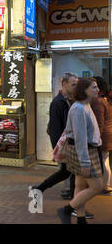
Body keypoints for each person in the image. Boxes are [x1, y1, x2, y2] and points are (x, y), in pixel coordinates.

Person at [31, 73, 81, 211]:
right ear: (64, 84)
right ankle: (74, 206)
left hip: (70, 143)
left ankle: (39, 189)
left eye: (77, 84)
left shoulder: (71, 100)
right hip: (66, 144)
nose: (76, 87)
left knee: (67, 172)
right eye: (73, 84)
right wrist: (57, 149)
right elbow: (55, 128)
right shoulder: (58, 102)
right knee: (73, 173)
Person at [57, 77, 103, 224]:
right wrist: (84, 162)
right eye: (94, 87)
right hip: (83, 151)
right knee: (97, 187)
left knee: (80, 185)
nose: (97, 90)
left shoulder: (85, 105)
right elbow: (80, 137)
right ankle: (67, 210)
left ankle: (81, 218)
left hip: (86, 150)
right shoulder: (79, 109)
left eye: (97, 87)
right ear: (84, 90)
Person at [90, 76, 112, 194]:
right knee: (104, 159)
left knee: (103, 160)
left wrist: (95, 139)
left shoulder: (98, 102)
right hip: (107, 136)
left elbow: (99, 123)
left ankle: (106, 185)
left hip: (103, 137)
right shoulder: (105, 100)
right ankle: (106, 185)